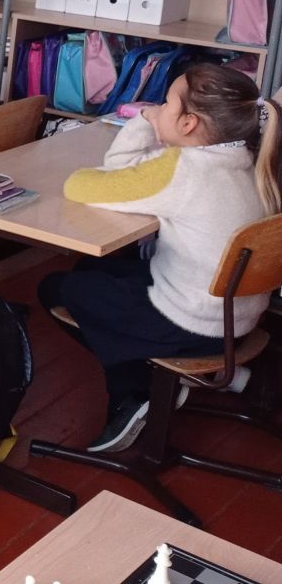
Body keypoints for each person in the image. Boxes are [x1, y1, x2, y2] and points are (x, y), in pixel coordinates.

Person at [40, 64, 281, 454]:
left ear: (188, 123)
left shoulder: (183, 169)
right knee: (92, 269)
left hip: (192, 322)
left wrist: (141, 121)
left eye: (166, 103)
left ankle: (135, 392)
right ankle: (198, 374)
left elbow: (83, 184)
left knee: (57, 288)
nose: (158, 108)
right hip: (235, 319)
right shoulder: (246, 158)